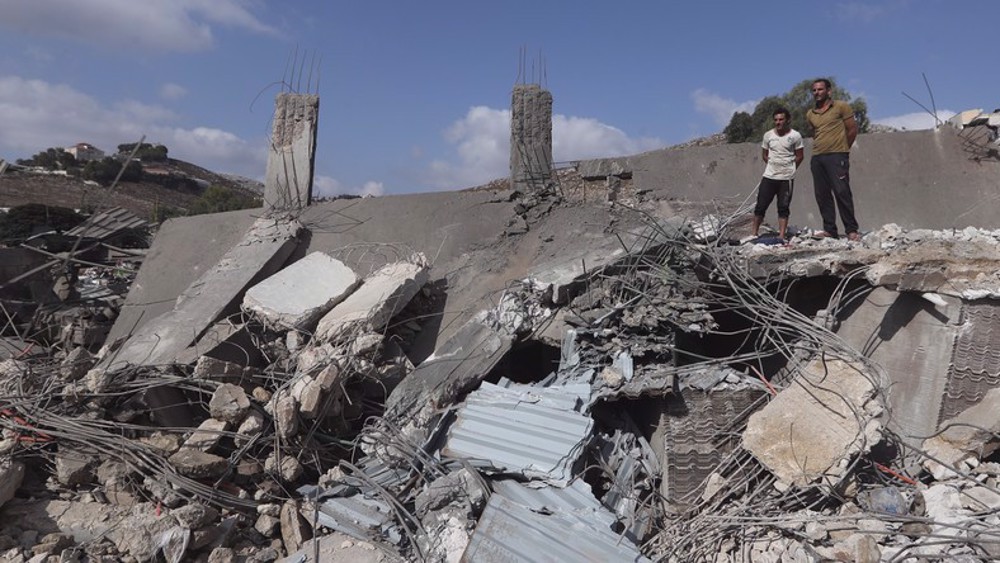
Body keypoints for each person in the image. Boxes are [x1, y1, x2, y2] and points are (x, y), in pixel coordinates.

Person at [806, 78, 861, 241]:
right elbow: (814, 133)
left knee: (842, 192)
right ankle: (830, 229)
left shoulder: (841, 107)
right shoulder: (810, 113)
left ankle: (851, 230)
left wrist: (843, 150)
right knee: (822, 194)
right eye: (814, 90)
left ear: (828, 91)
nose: (817, 93)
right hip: (817, 157)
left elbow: (852, 130)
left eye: (820, 89)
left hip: (837, 156)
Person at [754, 107, 803, 240]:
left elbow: (800, 156)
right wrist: (772, 165)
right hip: (769, 176)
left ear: (787, 120)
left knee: (783, 207)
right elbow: (764, 154)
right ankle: (754, 234)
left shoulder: (795, 136)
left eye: (781, 119)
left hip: (786, 178)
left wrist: (791, 168)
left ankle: (781, 235)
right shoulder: (768, 135)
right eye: (776, 120)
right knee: (760, 205)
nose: (778, 122)